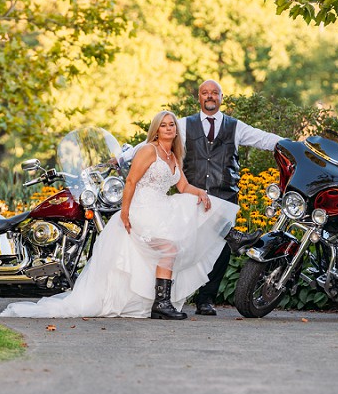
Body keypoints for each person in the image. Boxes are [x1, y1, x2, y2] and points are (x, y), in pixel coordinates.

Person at [0, 111, 239, 320]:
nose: (169, 128)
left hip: (162, 207)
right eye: (164, 124)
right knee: (169, 248)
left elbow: (184, 187)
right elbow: (131, 181)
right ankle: (162, 304)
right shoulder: (149, 150)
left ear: (176, 131)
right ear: (156, 130)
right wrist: (124, 213)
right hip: (142, 209)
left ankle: (232, 237)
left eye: (172, 124)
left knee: (194, 204)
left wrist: (202, 194)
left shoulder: (173, 156)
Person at [121, 80, 283, 316]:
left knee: (221, 250)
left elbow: (262, 138)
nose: (210, 97)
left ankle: (206, 300)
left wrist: (290, 145)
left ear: (221, 97)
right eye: (205, 93)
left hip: (223, 193)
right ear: (199, 97)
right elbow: (149, 147)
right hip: (195, 194)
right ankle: (177, 295)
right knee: (187, 244)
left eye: (214, 93)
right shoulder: (182, 125)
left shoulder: (235, 126)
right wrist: (123, 156)